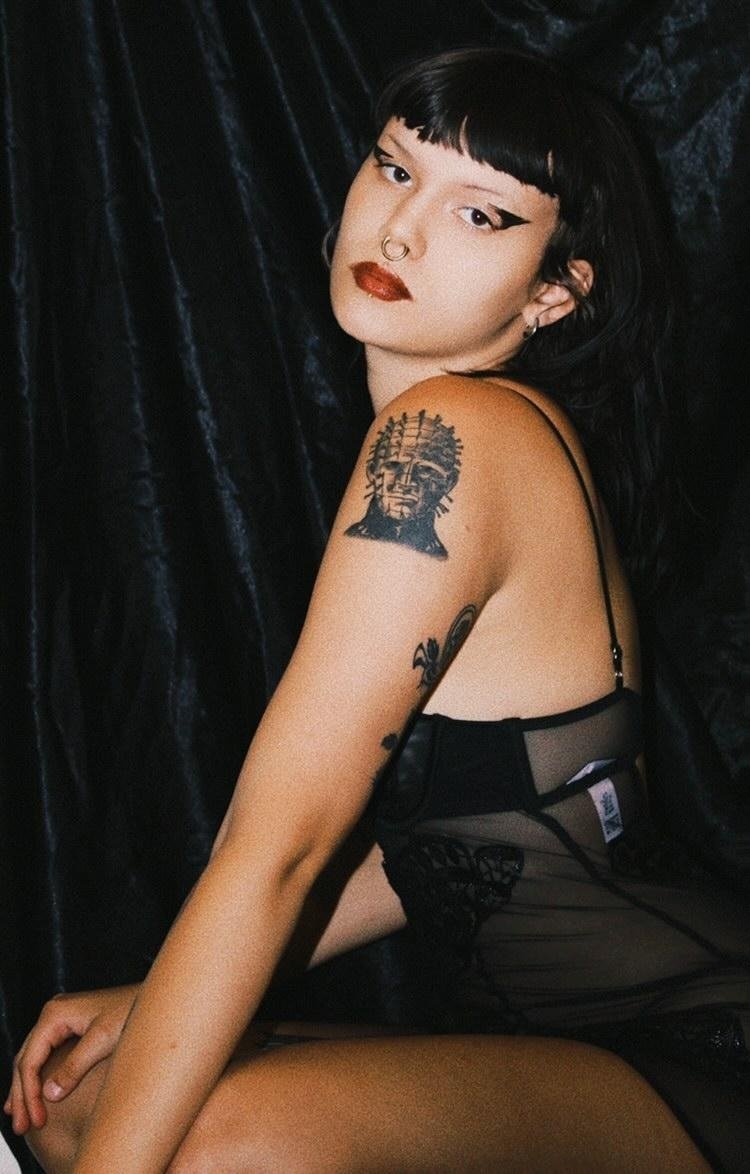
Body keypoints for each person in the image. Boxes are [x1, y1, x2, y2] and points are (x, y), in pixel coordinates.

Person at [5, 47, 750, 1173]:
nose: (400, 232)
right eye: (396, 169)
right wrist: (154, 999)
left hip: (692, 1050)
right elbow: (473, 847)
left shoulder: (455, 438)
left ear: (554, 292)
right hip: (565, 1047)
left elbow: (279, 851)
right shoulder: (505, 431)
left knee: (205, 1150)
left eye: (481, 213)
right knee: (81, 1103)